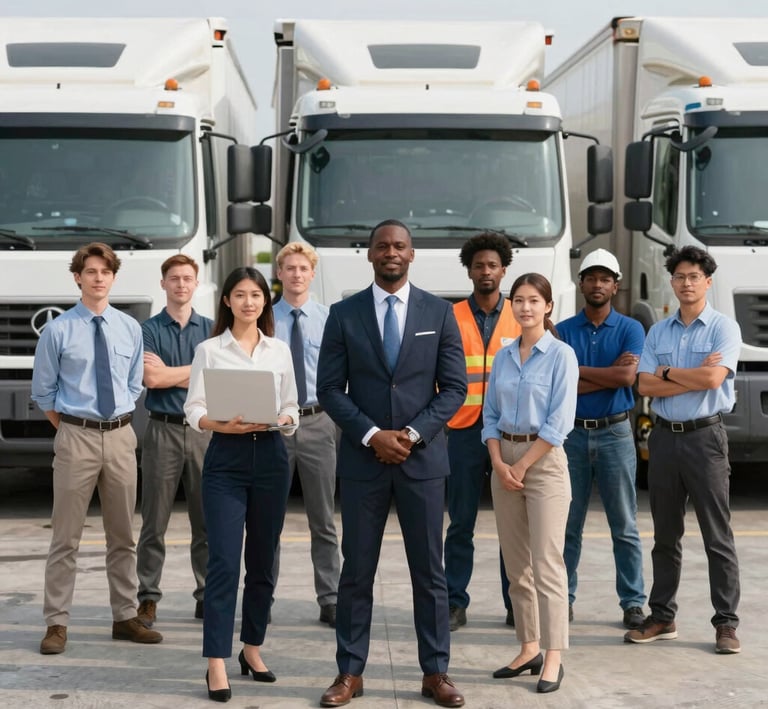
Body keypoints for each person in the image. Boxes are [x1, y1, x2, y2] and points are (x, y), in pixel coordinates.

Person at [316, 220, 467, 708]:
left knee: (430, 573)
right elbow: (328, 390)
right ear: (370, 255)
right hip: (364, 463)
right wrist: (371, 434)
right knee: (357, 572)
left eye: (399, 246)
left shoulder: (439, 312)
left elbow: (455, 389)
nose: (391, 253)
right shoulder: (343, 314)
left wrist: (412, 433)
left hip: (422, 463)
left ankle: (436, 672)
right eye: (382, 246)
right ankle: (349, 672)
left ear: (412, 254)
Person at [31, 242, 162, 655]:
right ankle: (57, 623)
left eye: (105, 272)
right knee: (65, 538)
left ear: (113, 277)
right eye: (90, 271)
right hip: (76, 437)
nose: (98, 278)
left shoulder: (129, 328)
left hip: (122, 437)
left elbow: (133, 385)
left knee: (122, 536)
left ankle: (125, 616)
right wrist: (75, 427)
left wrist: (112, 424)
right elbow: (44, 393)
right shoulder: (58, 330)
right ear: (78, 277)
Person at [184, 266, 298, 702]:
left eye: (256, 295)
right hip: (225, 461)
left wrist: (283, 418)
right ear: (226, 301)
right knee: (225, 563)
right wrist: (220, 424)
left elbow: (292, 405)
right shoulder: (210, 350)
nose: (249, 302)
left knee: (264, 562)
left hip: (271, 457)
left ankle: (252, 648)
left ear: (265, 302)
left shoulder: (279, 350)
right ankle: (216, 661)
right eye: (240, 294)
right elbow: (192, 409)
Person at [626, 246, 742, 654]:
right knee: (665, 534)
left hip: (705, 438)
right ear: (671, 282)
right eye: (680, 277)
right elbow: (644, 386)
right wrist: (685, 377)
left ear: (707, 282)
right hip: (664, 438)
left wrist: (670, 372)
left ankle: (726, 624)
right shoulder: (658, 332)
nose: (687, 283)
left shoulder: (724, 328)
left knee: (717, 535)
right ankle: (662, 616)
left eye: (694, 276)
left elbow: (714, 380)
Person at [483, 273, 577, 694]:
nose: (524, 308)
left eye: (533, 300)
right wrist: (500, 463)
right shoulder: (502, 356)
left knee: (546, 563)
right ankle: (528, 647)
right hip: (503, 459)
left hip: (544, 464)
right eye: (518, 300)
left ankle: (554, 655)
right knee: (516, 565)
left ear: (548, 307)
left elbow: (559, 423)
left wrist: (522, 467)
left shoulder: (561, 356)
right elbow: (489, 416)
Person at [556, 249, 647, 629]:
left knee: (624, 524)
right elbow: (561, 383)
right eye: (591, 278)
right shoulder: (562, 330)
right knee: (567, 525)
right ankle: (564, 599)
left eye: (605, 278)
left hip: (615, 433)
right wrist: (604, 374)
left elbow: (627, 380)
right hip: (571, 434)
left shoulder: (631, 328)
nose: (597, 284)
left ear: (616, 284)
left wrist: (580, 373)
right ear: (581, 284)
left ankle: (632, 602)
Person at [444, 232, 520, 632]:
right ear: (470, 270)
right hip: (461, 429)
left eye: (492, 265)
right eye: (479, 265)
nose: (485, 271)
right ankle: (454, 602)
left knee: (512, 524)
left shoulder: (521, 314)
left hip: (507, 433)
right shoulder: (450, 316)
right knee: (460, 522)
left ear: (503, 270)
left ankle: (515, 603)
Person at [136, 255, 213, 628]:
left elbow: (216, 380)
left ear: (196, 284)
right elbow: (151, 380)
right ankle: (148, 598)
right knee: (154, 521)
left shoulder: (213, 330)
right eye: (174, 278)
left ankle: (206, 594)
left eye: (187, 278)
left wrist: (171, 373)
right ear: (163, 283)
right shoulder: (147, 330)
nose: (181, 284)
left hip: (203, 431)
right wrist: (193, 372)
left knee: (206, 520)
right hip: (161, 430)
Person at [272, 242, 340, 627]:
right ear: (279, 273)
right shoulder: (264, 319)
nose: (296, 274)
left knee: (323, 518)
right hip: (274, 423)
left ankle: (330, 598)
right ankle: (262, 598)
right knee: (268, 519)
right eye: (290, 268)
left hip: (316, 422)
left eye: (303, 268)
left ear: (312, 274)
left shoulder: (329, 319)